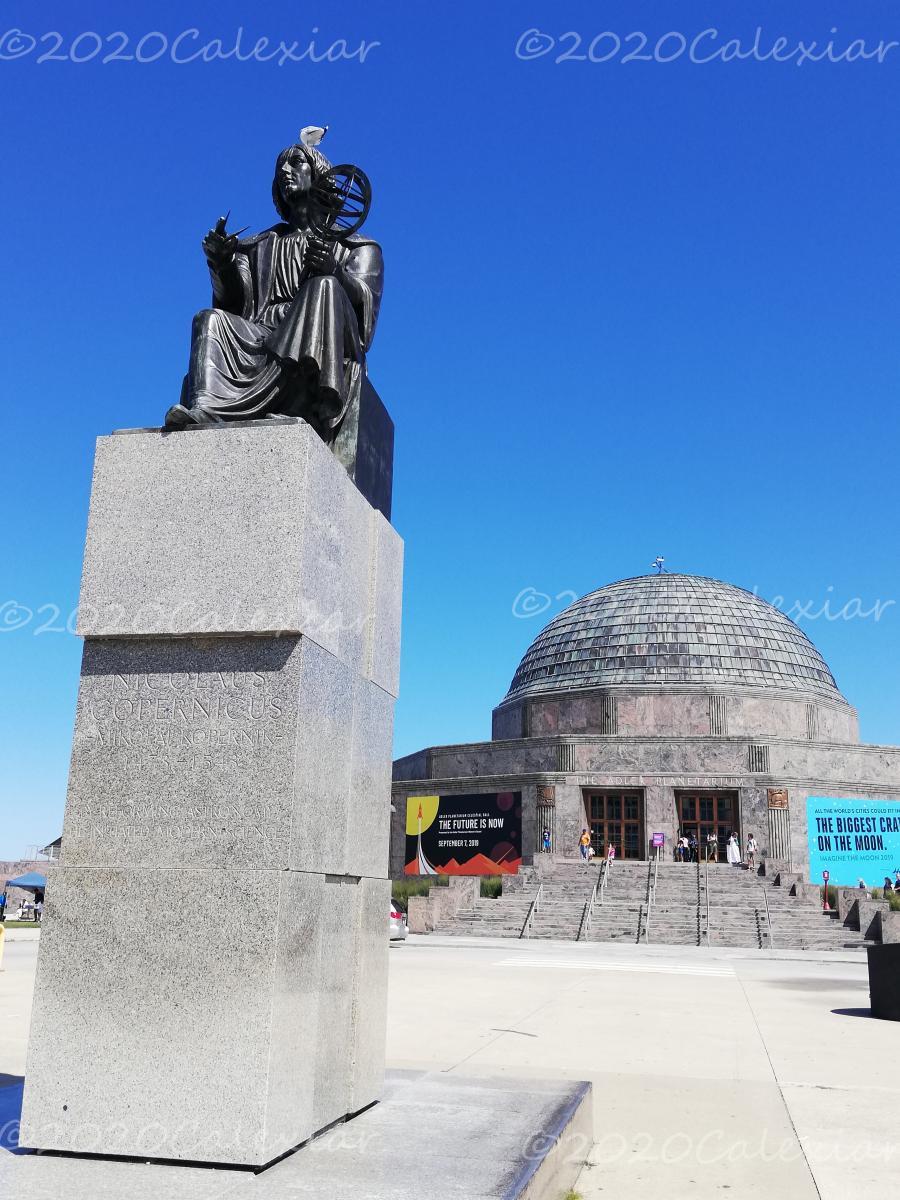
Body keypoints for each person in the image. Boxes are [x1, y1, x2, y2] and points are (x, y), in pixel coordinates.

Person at [165, 128, 384, 445]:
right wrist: (221, 263)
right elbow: (233, 306)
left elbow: (364, 313)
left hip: (322, 328)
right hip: (264, 333)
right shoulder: (259, 245)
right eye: (280, 167)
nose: (285, 171)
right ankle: (206, 408)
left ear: (320, 173)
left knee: (321, 287)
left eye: (296, 162)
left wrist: (336, 271)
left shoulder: (357, 246)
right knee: (209, 319)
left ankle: (304, 406)